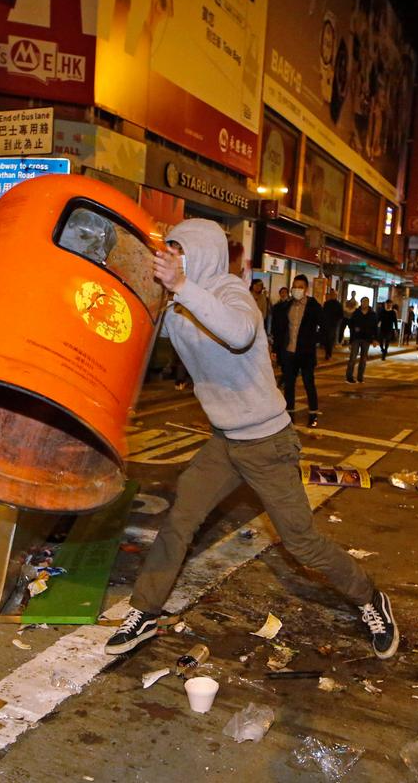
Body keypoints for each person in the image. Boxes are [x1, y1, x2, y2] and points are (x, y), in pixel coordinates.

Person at [104, 219, 397, 661]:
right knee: (180, 519)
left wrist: (181, 285)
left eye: (179, 249)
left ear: (202, 252)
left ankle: (369, 598)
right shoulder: (180, 303)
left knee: (301, 542)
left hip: (266, 441)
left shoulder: (229, 293)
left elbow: (239, 333)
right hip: (224, 441)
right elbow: (139, 328)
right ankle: (145, 609)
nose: (172, 257)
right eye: (170, 249)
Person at [271, 274, 322, 427]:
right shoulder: (286, 307)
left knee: (309, 383)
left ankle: (313, 415)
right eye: (295, 286)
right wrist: (276, 349)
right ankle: (290, 416)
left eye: (300, 287)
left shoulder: (313, 306)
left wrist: (314, 340)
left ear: (306, 289)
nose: (296, 289)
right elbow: (279, 330)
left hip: (306, 353)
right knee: (289, 385)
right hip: (289, 352)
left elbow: (325, 326)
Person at [345, 297, 378, 383]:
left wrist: (375, 339)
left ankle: (360, 377)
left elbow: (375, 327)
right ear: (361, 303)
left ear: (368, 303)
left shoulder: (372, 314)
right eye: (363, 302)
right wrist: (353, 330)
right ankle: (349, 376)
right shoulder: (356, 313)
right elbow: (350, 324)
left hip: (367, 339)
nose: (365, 303)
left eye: (366, 302)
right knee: (352, 358)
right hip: (356, 338)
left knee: (363, 359)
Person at [321, 289, 343, 360]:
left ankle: (328, 354)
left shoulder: (338, 305)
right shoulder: (326, 303)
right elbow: (323, 313)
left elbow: (340, 315)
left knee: (330, 339)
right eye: (332, 294)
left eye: (334, 294)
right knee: (325, 339)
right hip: (326, 323)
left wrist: (336, 322)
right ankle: (327, 353)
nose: (332, 295)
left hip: (333, 325)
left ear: (336, 295)